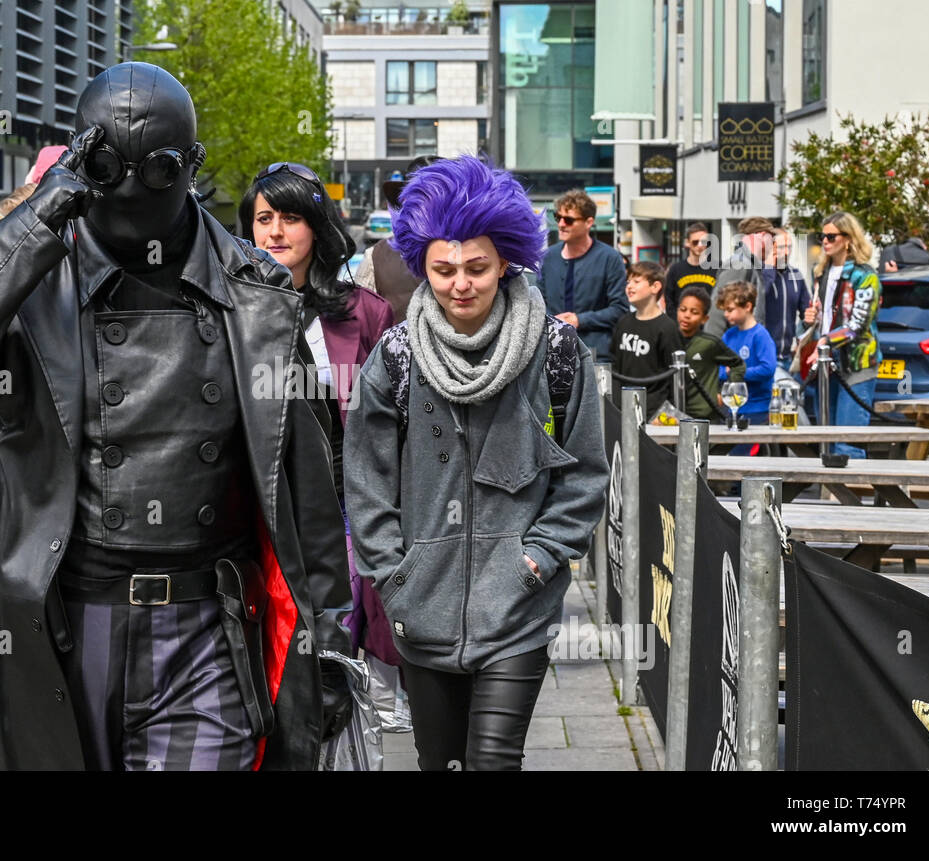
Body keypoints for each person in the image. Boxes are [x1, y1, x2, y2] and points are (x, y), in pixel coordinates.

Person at [0, 63, 352, 771]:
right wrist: (32, 221)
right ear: (80, 159)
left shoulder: (258, 298)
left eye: (158, 167)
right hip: (63, 625)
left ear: (190, 166)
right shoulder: (33, 283)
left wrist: (328, 637)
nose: (131, 185)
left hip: (205, 627)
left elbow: (308, 489)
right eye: (108, 163)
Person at [344, 156, 609, 771]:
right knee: (439, 762)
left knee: (493, 760)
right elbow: (366, 475)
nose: (460, 283)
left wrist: (538, 558)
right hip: (421, 605)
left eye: (476, 267)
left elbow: (586, 473)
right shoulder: (399, 356)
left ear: (506, 263)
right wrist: (393, 572)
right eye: (442, 269)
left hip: (518, 605)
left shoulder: (557, 351)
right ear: (422, 267)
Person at [239, 162, 401, 696]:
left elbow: (397, 426)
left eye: (290, 218)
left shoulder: (366, 314)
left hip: (347, 518)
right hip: (258, 520)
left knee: (341, 668)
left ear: (318, 227)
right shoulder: (226, 311)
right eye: (263, 219)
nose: (275, 232)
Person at [802, 211, 882, 458]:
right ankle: (829, 497)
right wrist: (810, 319)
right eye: (822, 236)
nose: (824, 241)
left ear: (848, 239)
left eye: (831, 236)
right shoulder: (821, 273)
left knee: (848, 444)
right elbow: (824, 317)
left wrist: (825, 341)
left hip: (855, 363)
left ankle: (850, 497)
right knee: (826, 442)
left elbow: (857, 324)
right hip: (825, 364)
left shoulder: (865, 275)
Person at [536, 189, 629, 362]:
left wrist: (579, 320)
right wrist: (555, 322)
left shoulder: (609, 258)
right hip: (553, 350)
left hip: (597, 353)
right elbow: (539, 302)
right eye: (558, 217)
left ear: (589, 222)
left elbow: (620, 309)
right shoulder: (548, 257)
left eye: (569, 220)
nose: (561, 224)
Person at [354, 156, 442, 324]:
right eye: (421, 197)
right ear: (405, 203)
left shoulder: (472, 251)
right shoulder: (376, 256)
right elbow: (360, 326)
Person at [611, 261, 682, 419]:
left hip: (654, 411)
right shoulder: (623, 322)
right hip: (623, 407)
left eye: (636, 282)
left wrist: (667, 413)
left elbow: (673, 375)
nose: (629, 286)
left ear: (655, 287)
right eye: (628, 282)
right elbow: (615, 366)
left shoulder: (667, 327)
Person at [677, 285, 744, 421]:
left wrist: (724, 394)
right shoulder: (668, 338)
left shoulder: (709, 343)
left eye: (694, 312)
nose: (687, 315)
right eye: (683, 310)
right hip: (673, 415)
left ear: (704, 319)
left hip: (705, 415)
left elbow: (738, 364)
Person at [718, 281, 777, 426]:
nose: (726, 314)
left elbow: (767, 369)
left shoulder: (760, 335)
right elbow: (720, 370)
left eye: (730, 309)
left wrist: (736, 372)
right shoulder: (728, 335)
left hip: (757, 408)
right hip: (731, 407)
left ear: (748, 307)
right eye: (725, 310)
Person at [705, 216, 774, 338]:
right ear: (764, 235)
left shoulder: (749, 265)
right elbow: (717, 313)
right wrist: (713, 351)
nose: (772, 247)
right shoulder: (740, 265)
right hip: (734, 349)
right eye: (772, 240)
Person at [763, 226, 812, 365]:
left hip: (788, 357)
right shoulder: (760, 274)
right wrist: (769, 268)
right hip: (763, 358)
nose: (786, 252)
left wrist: (810, 318)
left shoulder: (795, 275)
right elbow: (758, 297)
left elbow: (806, 314)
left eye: (789, 247)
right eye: (781, 247)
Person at [662, 222, 717, 319]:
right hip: (682, 326)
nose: (700, 246)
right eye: (695, 242)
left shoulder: (718, 268)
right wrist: (677, 323)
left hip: (710, 325)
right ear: (687, 243)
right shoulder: (675, 269)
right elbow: (669, 300)